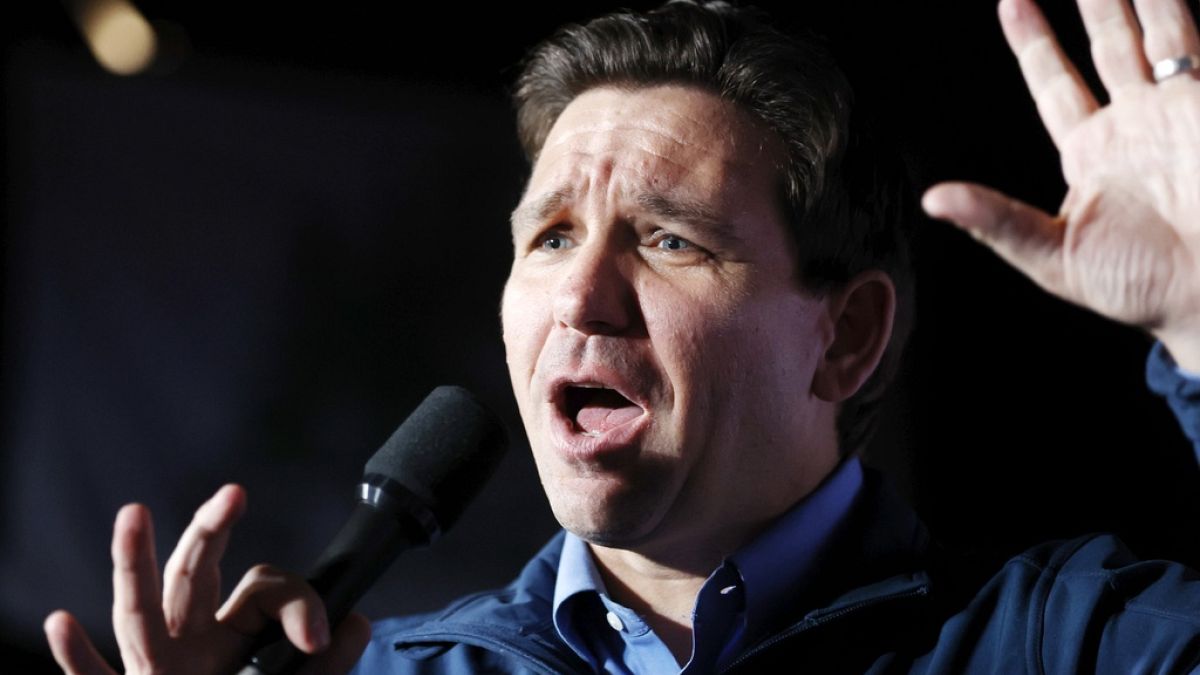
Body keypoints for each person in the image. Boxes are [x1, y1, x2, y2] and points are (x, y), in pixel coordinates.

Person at [43, 0, 1200, 673]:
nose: (580, 295)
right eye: (547, 239)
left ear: (845, 340)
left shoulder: (1062, 641)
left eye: (670, 241)